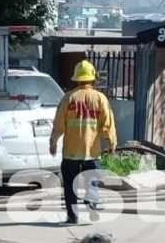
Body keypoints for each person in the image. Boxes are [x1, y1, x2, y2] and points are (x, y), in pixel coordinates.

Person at [50, 60, 117, 225]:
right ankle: (91, 200)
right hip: (91, 151)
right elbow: (108, 124)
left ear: (77, 79)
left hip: (70, 152)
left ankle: (73, 217)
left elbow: (58, 124)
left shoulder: (68, 98)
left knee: (69, 185)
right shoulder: (100, 98)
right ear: (92, 78)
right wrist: (111, 144)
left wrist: (53, 143)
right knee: (92, 180)